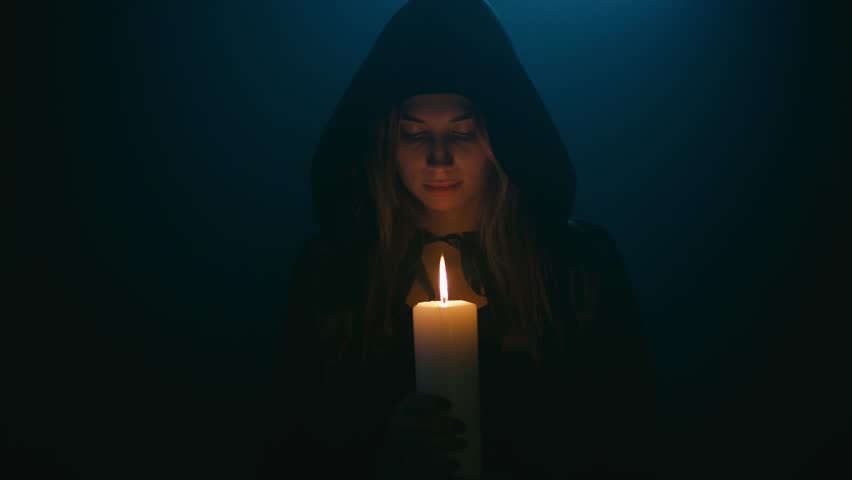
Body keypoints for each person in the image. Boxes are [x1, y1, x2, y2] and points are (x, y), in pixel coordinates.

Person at [258, 0, 655, 478]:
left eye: (462, 132)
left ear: (498, 140)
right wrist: (383, 453)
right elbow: (292, 443)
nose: (439, 158)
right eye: (414, 134)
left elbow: (626, 436)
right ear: (386, 143)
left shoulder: (576, 269)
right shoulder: (335, 276)